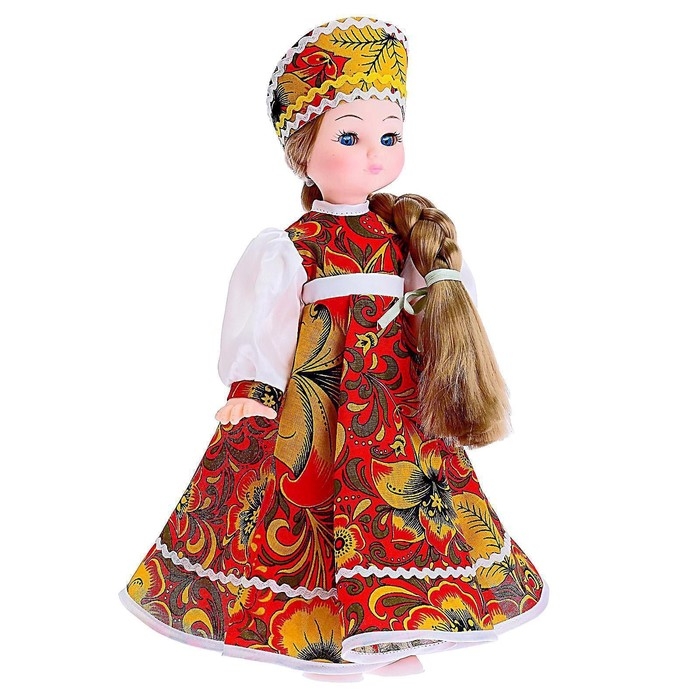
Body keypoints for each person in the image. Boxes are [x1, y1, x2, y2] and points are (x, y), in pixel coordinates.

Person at [119, 16, 548, 676]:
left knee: (405, 508)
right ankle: (323, 636)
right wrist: (252, 389)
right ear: (304, 152)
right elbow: (267, 324)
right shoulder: (289, 247)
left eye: (389, 137)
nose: (374, 154)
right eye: (350, 137)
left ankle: (396, 630)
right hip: (317, 405)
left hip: (393, 404)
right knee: (308, 510)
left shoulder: (403, 238)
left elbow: (440, 305)